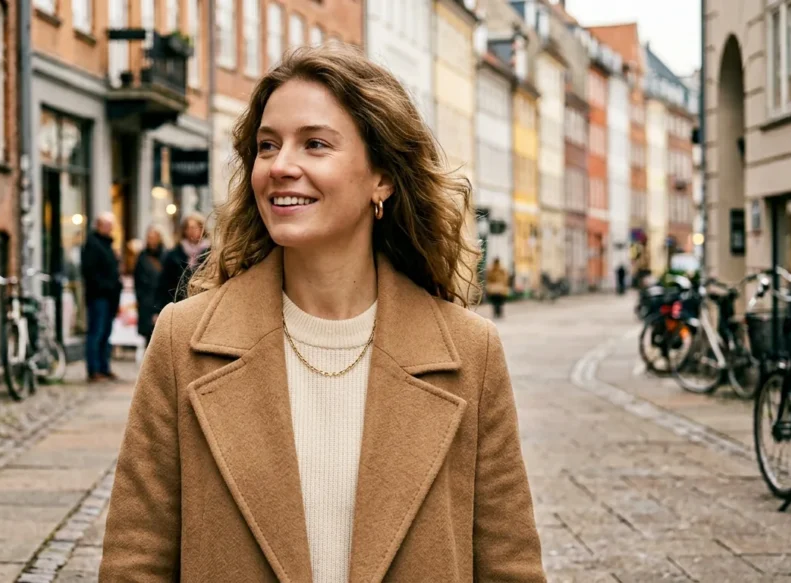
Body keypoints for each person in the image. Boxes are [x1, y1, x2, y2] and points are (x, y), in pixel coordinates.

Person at [100, 44, 545, 582]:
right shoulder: (184, 341)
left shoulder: (469, 353)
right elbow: (135, 563)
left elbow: (508, 566)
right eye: (267, 146)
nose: (282, 166)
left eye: (315, 144)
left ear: (381, 177)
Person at [80, 212, 122, 382]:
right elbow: (90, 273)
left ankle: (104, 367)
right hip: (99, 296)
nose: (110, 228)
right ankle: (94, 369)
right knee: (96, 332)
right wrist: (106, 286)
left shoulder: (107, 245)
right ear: (99, 226)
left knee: (105, 333)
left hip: (109, 296)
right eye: (107, 225)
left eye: (111, 225)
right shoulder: (93, 245)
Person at [154, 213, 210, 311]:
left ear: (202, 229)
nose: (192, 231)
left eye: (195, 227)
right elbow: (164, 284)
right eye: (188, 228)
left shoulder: (211, 253)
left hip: (203, 306)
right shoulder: (174, 254)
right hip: (179, 306)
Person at [132, 225, 166, 346]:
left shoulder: (166, 256)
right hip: (147, 301)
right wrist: (140, 298)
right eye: (149, 237)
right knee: (149, 336)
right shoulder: (142, 257)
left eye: (154, 237)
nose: (151, 240)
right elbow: (137, 280)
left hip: (162, 300)